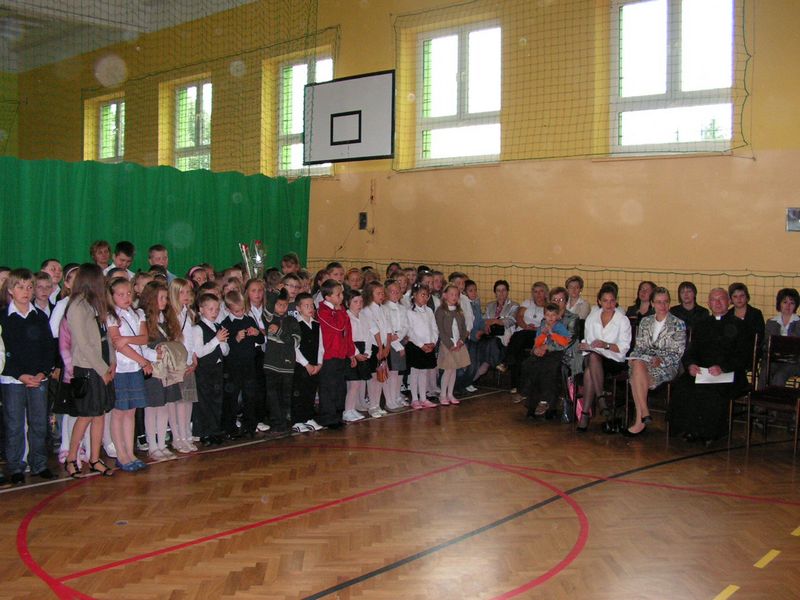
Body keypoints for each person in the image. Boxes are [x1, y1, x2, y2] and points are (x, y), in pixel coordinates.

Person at [670, 288, 751, 445]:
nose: (718, 303)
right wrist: (691, 365)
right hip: (703, 372)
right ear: (709, 303)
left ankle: (710, 433)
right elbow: (691, 351)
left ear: (729, 302)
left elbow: (743, 356)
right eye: (714, 299)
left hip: (730, 373)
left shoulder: (741, 326)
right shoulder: (702, 325)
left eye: (721, 299)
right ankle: (689, 429)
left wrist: (723, 367)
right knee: (683, 386)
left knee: (712, 391)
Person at [0, 269, 58, 483]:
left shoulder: (39, 316)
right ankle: (16, 467)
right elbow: (4, 352)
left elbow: (48, 348)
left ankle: (39, 463)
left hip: (39, 378)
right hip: (13, 379)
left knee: (39, 422)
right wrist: (20, 374)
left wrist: (43, 371)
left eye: (29, 287)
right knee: (14, 424)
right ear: (10, 290)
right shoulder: (4, 318)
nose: (25, 292)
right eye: (20, 287)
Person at [64, 264, 116, 478]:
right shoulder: (77, 306)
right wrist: (102, 369)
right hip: (88, 368)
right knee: (86, 415)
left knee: (100, 414)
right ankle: (71, 457)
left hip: (102, 365)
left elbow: (106, 336)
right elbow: (83, 344)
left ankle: (95, 458)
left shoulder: (95, 303)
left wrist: (112, 361)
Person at [624, 287, 687, 436]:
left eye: (666, 302)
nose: (662, 305)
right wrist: (633, 358)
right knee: (636, 364)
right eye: (659, 302)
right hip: (645, 362)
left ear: (670, 303)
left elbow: (678, 352)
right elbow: (639, 347)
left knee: (635, 376)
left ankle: (641, 419)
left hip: (667, 366)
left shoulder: (678, 324)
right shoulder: (645, 322)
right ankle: (644, 413)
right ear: (652, 303)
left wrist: (661, 360)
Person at [106, 277, 151, 471]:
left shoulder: (138, 313)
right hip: (121, 368)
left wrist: (127, 339)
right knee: (119, 412)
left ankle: (130, 453)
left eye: (129, 293)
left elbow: (144, 338)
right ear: (112, 296)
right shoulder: (111, 316)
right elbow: (117, 343)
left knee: (131, 411)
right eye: (121, 294)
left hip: (134, 369)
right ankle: (121, 454)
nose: (126, 297)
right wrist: (142, 360)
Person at [577, 285, 632, 432]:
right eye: (605, 301)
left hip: (614, 359)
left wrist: (606, 345)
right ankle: (600, 400)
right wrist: (585, 345)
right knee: (593, 357)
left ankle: (586, 413)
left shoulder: (623, 320)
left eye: (612, 301)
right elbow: (588, 340)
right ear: (599, 302)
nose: (609, 304)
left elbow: (624, 348)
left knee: (589, 371)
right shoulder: (592, 318)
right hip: (593, 356)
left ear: (616, 301)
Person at [139, 280, 183, 460]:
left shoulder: (167, 319)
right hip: (153, 369)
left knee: (165, 405)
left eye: (166, 298)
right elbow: (141, 345)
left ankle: (162, 444)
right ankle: (152, 445)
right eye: (161, 298)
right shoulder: (144, 320)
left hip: (167, 368)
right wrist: (153, 355)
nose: (165, 301)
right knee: (152, 406)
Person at [520, 302, 572, 419]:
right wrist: (542, 339)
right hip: (542, 354)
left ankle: (548, 403)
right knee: (530, 365)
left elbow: (565, 342)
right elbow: (537, 342)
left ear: (558, 316)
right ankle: (529, 399)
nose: (550, 318)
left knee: (548, 371)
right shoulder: (542, 325)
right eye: (548, 315)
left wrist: (552, 334)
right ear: (544, 316)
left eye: (553, 315)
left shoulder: (559, 327)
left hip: (556, 354)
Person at [316, 279, 357, 428]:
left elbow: (347, 333)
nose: (341, 297)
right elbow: (338, 327)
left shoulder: (341, 310)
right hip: (329, 356)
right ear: (327, 297)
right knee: (329, 388)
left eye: (342, 294)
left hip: (341, 355)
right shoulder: (323, 311)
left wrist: (351, 353)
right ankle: (328, 418)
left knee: (340, 388)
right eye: (338, 294)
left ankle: (338, 416)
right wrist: (340, 311)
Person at [262, 289, 299, 435]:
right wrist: (273, 295)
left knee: (285, 396)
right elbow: (267, 311)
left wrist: (279, 332)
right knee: (272, 396)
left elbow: (295, 342)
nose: (282, 307)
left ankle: (285, 422)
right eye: (279, 304)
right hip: (271, 364)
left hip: (287, 366)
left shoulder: (292, 321)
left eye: (285, 305)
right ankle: (276, 423)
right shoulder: (270, 318)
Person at [168, 278, 199, 452]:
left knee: (188, 400)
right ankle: (177, 437)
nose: (186, 296)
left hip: (188, 362)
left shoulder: (189, 313)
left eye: (188, 292)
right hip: (176, 363)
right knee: (177, 402)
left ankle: (186, 433)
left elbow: (191, 339)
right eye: (182, 292)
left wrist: (193, 358)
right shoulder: (171, 315)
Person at [503, 282, 549, 391]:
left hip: (537, 335)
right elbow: (519, 317)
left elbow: (549, 323)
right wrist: (526, 326)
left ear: (546, 293)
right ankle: (515, 385)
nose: (538, 294)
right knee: (518, 353)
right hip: (523, 331)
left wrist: (537, 329)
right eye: (536, 292)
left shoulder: (548, 307)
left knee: (520, 338)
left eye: (541, 291)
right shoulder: (527, 302)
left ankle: (506, 361)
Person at [435, 284, 471, 406]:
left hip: (458, 343)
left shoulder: (459, 311)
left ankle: (450, 394)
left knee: (454, 370)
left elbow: (463, 328)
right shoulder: (440, 311)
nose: (454, 297)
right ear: (445, 295)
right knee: (448, 370)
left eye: (456, 295)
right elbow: (441, 330)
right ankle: (443, 395)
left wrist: (461, 341)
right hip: (447, 345)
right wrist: (450, 344)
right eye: (452, 294)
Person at [293, 292, 324, 431]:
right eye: (306, 306)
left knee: (311, 391)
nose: (310, 308)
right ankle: (297, 420)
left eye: (312, 305)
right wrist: (306, 364)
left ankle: (308, 417)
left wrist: (319, 364)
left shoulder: (317, 325)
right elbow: (294, 348)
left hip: (314, 365)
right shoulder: (295, 325)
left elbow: (321, 346)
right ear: (298, 308)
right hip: (301, 366)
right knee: (299, 392)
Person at [405, 283, 439, 409]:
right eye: (422, 295)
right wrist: (421, 345)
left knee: (424, 372)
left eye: (427, 295)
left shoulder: (429, 311)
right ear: (414, 295)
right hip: (416, 346)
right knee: (415, 373)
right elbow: (410, 332)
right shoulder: (409, 312)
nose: (425, 298)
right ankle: (415, 399)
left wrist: (433, 342)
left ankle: (423, 398)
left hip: (428, 346)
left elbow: (434, 328)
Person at [480, 280, 519, 382]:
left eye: (504, 290)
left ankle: (489, 363)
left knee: (492, 341)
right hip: (490, 333)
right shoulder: (490, 305)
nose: (501, 293)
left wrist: (493, 321)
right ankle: (497, 363)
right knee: (487, 341)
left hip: (505, 334)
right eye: (498, 290)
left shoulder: (514, 305)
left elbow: (511, 320)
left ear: (507, 292)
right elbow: (483, 319)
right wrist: (495, 321)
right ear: (495, 292)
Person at [760, 288, 800, 386]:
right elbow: (765, 344)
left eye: (792, 303)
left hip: (794, 362)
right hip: (774, 360)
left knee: (780, 376)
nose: (788, 306)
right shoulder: (771, 322)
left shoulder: (799, 322)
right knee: (765, 373)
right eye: (785, 302)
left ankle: (776, 396)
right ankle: (760, 395)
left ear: (796, 305)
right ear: (779, 304)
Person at [344, 290, 372, 420]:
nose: (359, 304)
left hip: (362, 349)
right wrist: (355, 353)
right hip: (351, 351)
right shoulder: (346, 317)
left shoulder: (364, 317)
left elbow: (368, 336)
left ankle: (353, 408)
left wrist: (368, 351)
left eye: (361, 301)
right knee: (353, 383)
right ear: (347, 303)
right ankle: (347, 410)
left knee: (359, 382)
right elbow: (347, 338)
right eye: (355, 302)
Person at [727, 282, 765, 359]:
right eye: (735, 296)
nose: (739, 299)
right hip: (731, 354)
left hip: (751, 353)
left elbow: (760, 336)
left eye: (742, 295)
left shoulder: (756, 313)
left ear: (747, 297)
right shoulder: (728, 315)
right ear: (731, 299)